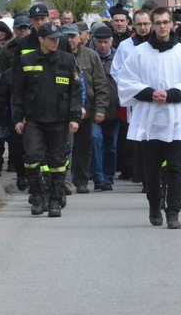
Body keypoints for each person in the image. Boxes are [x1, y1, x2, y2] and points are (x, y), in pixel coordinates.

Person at [117, 7, 181, 229]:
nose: (162, 27)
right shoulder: (139, 53)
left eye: (166, 22)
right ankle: (155, 204)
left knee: (175, 168)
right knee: (151, 168)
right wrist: (149, 93)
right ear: (152, 25)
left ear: (173, 24)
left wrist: (170, 94)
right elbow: (126, 81)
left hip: (174, 117)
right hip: (148, 118)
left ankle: (173, 210)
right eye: (158, 23)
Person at [13, 23, 83, 217]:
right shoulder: (26, 60)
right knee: (31, 158)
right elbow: (18, 92)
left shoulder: (68, 60)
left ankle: (55, 200)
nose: (55, 42)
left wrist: (74, 117)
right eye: (51, 38)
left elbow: (75, 92)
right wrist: (18, 118)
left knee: (58, 162)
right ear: (41, 40)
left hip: (59, 121)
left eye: (57, 38)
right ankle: (38, 197)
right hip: (34, 120)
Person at [63, 23, 110, 193]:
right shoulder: (59, 56)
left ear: (80, 38)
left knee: (84, 147)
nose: (70, 40)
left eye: (72, 37)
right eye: (66, 37)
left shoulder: (90, 56)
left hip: (86, 110)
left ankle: (81, 181)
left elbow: (100, 84)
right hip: (65, 111)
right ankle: (64, 180)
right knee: (65, 147)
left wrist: (100, 109)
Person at [111, 9, 152, 185]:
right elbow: (116, 72)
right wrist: (134, 87)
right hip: (136, 100)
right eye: (139, 24)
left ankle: (155, 177)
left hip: (157, 97)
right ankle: (142, 176)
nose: (143, 28)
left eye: (146, 24)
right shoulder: (126, 46)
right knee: (139, 139)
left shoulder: (158, 43)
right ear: (133, 25)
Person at [90, 26, 120, 191]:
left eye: (106, 42)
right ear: (94, 42)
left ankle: (108, 178)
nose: (103, 46)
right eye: (99, 42)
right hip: (94, 109)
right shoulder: (90, 57)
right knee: (95, 140)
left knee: (111, 146)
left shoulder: (119, 58)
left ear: (111, 41)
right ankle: (98, 177)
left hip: (114, 110)